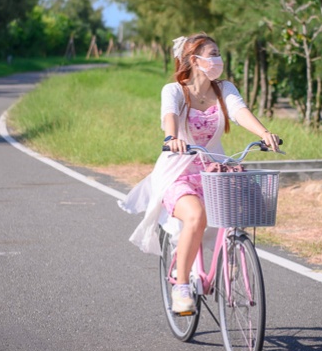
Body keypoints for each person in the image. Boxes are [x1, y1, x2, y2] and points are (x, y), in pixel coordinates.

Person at [120, 33, 280, 313]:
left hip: (214, 169)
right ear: (195, 60)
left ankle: (231, 254)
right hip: (178, 171)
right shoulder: (174, 91)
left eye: (219, 54)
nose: (218, 60)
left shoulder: (224, 88)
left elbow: (240, 112)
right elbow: (169, 116)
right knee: (195, 216)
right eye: (213, 54)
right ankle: (181, 287)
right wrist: (172, 138)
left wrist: (264, 133)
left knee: (243, 203)